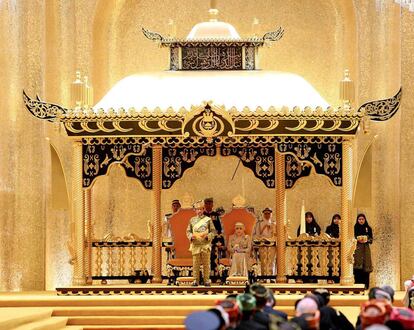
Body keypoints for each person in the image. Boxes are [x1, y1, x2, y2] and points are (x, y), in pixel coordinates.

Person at [186, 200, 216, 286]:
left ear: (203, 209)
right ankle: (195, 280)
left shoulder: (208, 220)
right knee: (195, 264)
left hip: (205, 245)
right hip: (195, 245)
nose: (199, 211)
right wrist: (191, 236)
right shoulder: (192, 220)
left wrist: (208, 236)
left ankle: (206, 280)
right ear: (195, 210)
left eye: (200, 209)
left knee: (206, 264)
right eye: (197, 209)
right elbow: (188, 231)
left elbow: (213, 231)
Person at [204, 197, 226, 278]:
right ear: (204, 205)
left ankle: (214, 274)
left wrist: (220, 240)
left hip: (214, 240)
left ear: (212, 205)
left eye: (210, 203)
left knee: (214, 256)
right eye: (207, 203)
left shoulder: (216, 215)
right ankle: (205, 275)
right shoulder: (202, 215)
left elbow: (220, 228)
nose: (208, 205)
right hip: (204, 240)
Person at [252, 207, 276, 277]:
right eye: (265, 213)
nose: (267, 215)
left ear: (271, 214)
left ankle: (272, 276)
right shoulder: (259, 224)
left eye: (269, 213)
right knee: (263, 261)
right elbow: (256, 234)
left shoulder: (274, 223)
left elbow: (276, 234)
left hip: (272, 244)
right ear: (263, 214)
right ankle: (263, 276)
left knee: (271, 261)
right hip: (262, 244)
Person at [353, 213, 373, 289]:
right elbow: (352, 238)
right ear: (357, 220)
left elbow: (371, 239)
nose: (361, 221)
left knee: (366, 266)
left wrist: (366, 239)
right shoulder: (355, 227)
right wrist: (357, 239)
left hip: (366, 249)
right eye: (359, 219)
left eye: (362, 219)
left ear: (365, 220)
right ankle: (357, 285)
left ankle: (366, 285)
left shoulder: (368, 228)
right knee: (357, 267)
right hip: (357, 248)